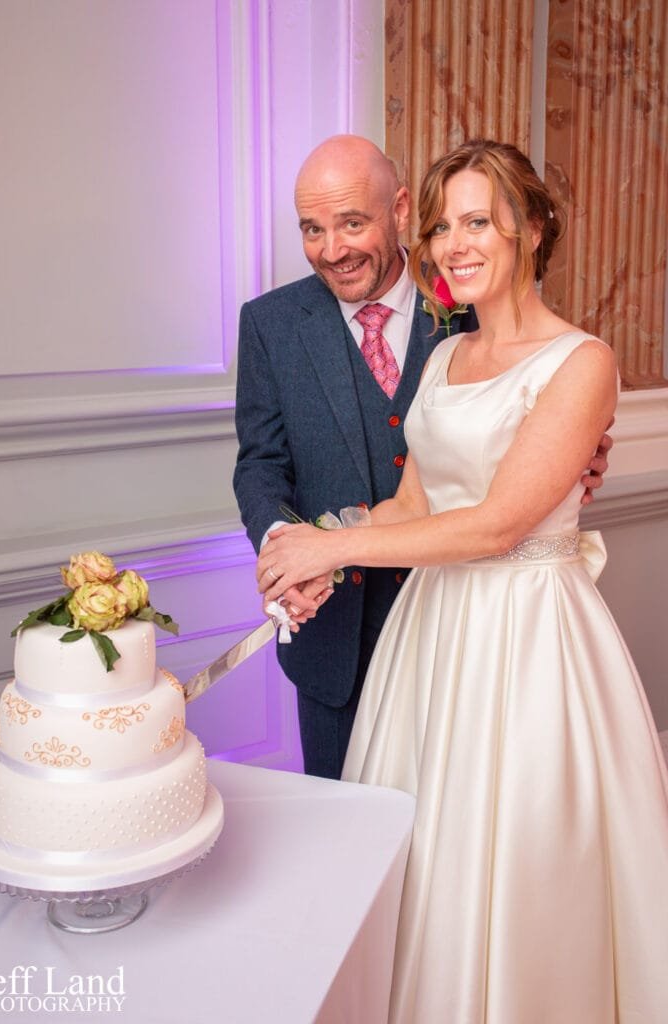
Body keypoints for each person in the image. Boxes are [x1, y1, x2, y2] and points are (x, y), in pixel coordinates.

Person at [256, 139, 668, 1022]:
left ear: (532, 227)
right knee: (421, 863)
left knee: (517, 859)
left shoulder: (583, 361)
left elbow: (499, 523)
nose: (453, 244)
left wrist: (328, 552)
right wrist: (318, 545)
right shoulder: (445, 355)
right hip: (432, 638)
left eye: (476, 220)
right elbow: (411, 502)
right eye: (444, 226)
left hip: (527, 645)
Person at [234, 134, 610, 781]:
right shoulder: (281, 325)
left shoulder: (483, 322)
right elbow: (266, 467)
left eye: (352, 222)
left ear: (398, 211)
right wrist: (298, 549)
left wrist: (569, 461)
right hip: (356, 644)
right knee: (354, 832)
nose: (334, 249)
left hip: (508, 641)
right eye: (312, 229)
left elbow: (502, 513)